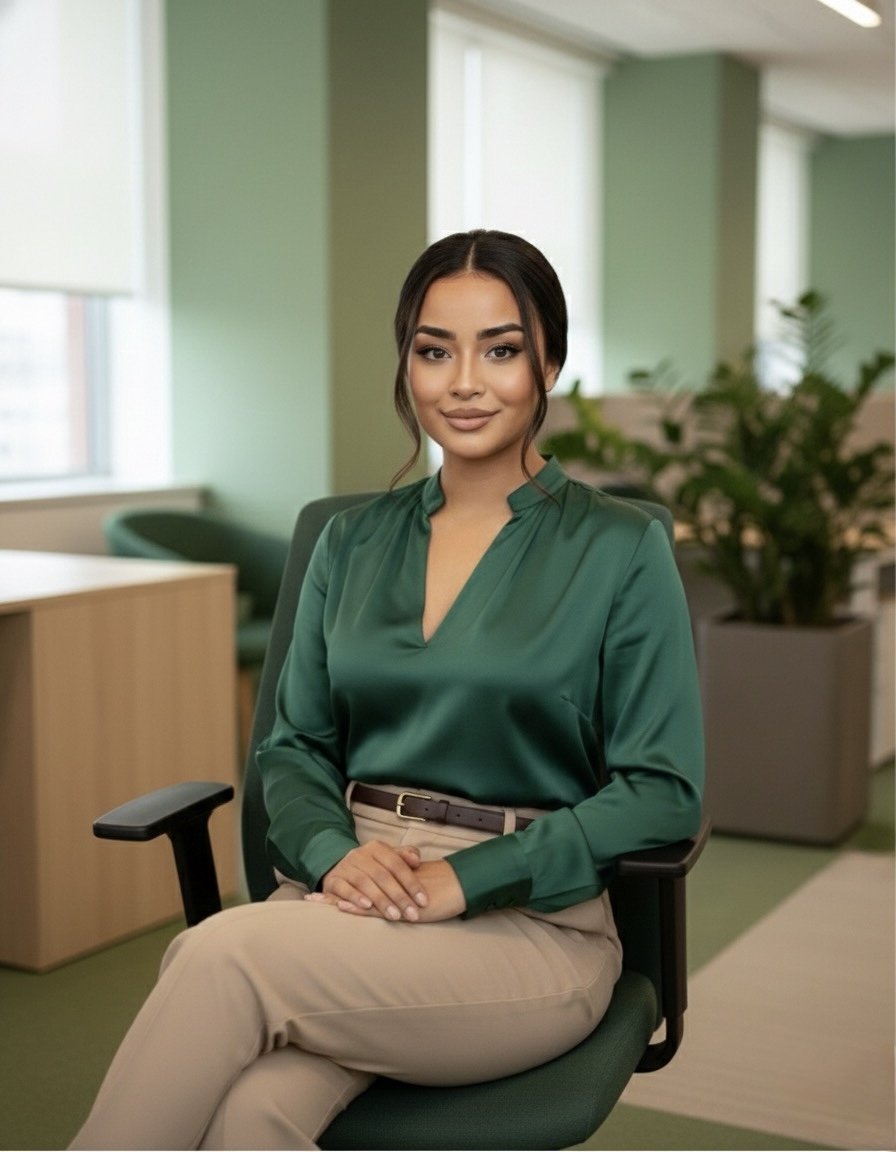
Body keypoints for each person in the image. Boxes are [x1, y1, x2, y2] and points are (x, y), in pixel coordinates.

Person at [71, 229, 704, 1151]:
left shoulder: (618, 547)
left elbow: (663, 790)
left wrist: (466, 878)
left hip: (526, 928)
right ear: (406, 364)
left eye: (502, 349)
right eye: (433, 350)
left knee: (223, 957)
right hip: (347, 900)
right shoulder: (351, 541)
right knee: (256, 1115)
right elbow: (293, 747)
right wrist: (331, 852)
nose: (464, 382)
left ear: (550, 365)